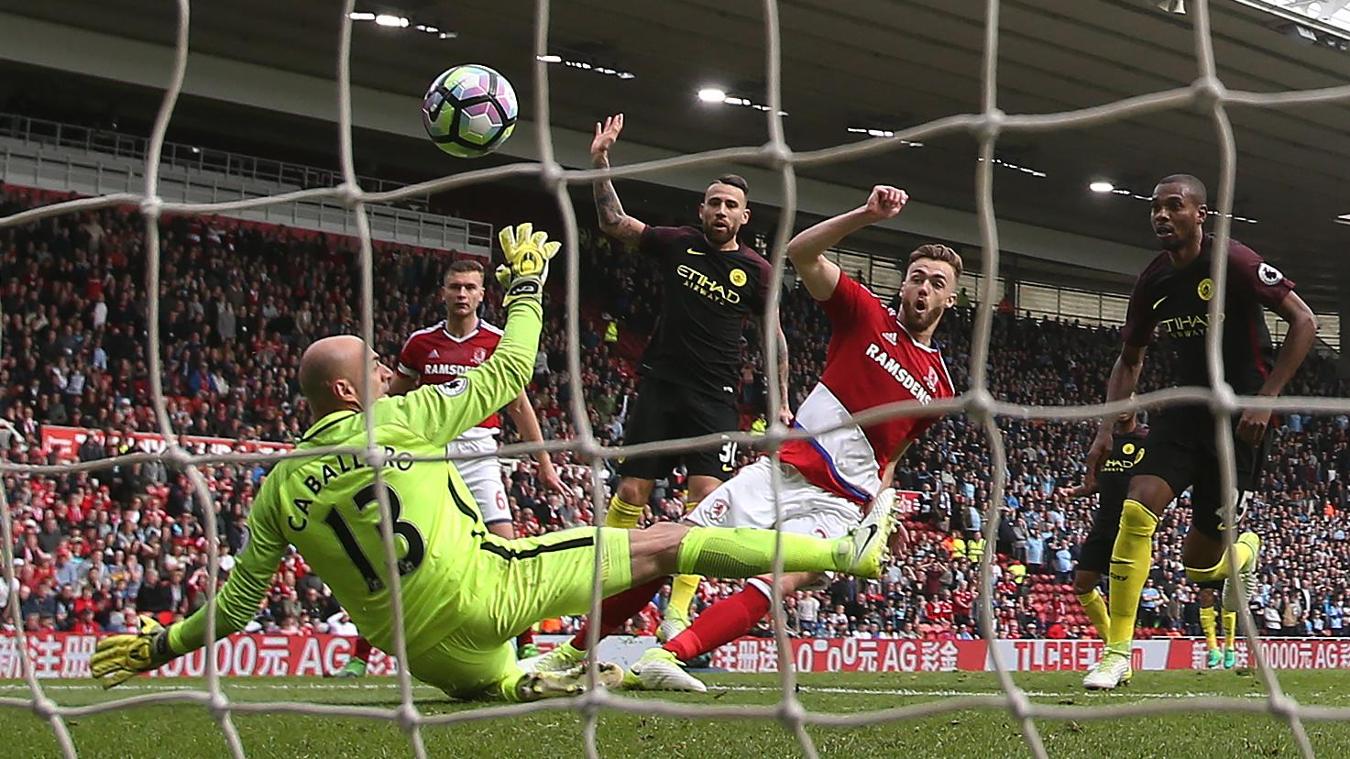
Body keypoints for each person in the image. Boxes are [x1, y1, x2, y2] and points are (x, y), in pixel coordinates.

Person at [89, 224, 891, 700]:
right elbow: (509, 373)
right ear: (346, 389)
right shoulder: (402, 419)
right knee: (672, 538)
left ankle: (529, 678)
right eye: (372, 366)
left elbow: (233, 611)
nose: (384, 370)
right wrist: (529, 286)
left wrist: (161, 646)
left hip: (433, 658)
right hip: (494, 591)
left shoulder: (277, 488)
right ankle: (838, 552)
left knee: (502, 682)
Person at [530, 186, 957, 691]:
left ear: (951, 299)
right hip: (780, 473)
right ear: (903, 287)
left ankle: (668, 656)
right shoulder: (865, 317)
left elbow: (892, 458)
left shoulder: (942, 389)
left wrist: (880, 515)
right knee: (670, 549)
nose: (923, 289)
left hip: (840, 504)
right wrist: (865, 214)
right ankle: (571, 654)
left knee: (778, 582)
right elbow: (801, 252)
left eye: (936, 283)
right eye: (916, 279)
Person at [1081, 174, 1317, 690]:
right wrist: (1104, 430)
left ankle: (1243, 552)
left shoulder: (1234, 261)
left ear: (1199, 215)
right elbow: (1130, 358)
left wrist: (1266, 398)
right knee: (1138, 506)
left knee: (1199, 564)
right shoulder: (1154, 280)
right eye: (1155, 207)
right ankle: (1117, 653)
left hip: (1240, 420)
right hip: (1185, 411)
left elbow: (1304, 321)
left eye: (1173, 206)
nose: (1161, 215)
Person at [588, 114, 793, 642]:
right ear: (701, 209)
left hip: (715, 400)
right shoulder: (677, 243)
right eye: (714, 202)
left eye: (731, 205)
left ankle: (676, 612)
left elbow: (774, 339)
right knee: (632, 489)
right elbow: (615, 223)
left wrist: (782, 402)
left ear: (743, 217)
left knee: (704, 503)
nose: (721, 210)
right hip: (660, 385)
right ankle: (604, 594)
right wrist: (601, 163)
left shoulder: (759, 273)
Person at [333, 259, 564, 677]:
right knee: (397, 549)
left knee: (506, 544)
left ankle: (527, 644)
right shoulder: (421, 344)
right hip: (428, 448)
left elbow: (517, 404)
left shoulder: (496, 341)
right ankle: (359, 656)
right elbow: (394, 395)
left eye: (469, 287)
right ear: (443, 292)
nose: (461, 294)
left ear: (481, 294)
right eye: (455, 286)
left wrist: (544, 463)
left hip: (479, 451)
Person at [1070, 409, 1147, 650]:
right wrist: (1080, 491)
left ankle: (1117, 652)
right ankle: (1110, 644)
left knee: (1119, 596)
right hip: (1102, 523)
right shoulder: (1104, 443)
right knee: (1082, 585)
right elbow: (1097, 483)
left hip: (1129, 526)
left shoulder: (1147, 441)